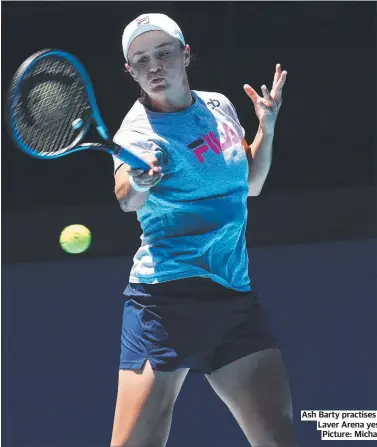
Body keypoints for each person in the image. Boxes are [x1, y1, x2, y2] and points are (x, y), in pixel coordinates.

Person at [111, 12, 297, 447]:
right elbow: (126, 195)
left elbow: (250, 182)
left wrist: (266, 130)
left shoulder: (218, 105)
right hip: (164, 303)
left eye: (163, 53)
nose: (154, 66)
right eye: (140, 60)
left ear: (186, 54)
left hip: (233, 296)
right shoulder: (137, 133)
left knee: (278, 439)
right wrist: (138, 180)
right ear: (130, 71)